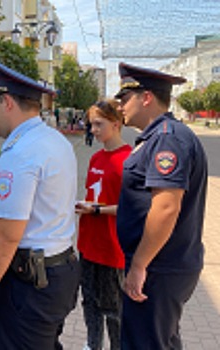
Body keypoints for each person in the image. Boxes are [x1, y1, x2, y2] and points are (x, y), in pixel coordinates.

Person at [0, 62, 80, 349]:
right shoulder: (55, 140)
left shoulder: (21, 153)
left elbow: (7, 235)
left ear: (7, 102)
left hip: (30, 285)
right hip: (60, 270)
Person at [114, 63, 208, 349]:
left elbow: (166, 207)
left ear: (146, 98)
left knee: (146, 342)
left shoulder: (167, 138)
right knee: (159, 340)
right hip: (161, 265)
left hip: (159, 268)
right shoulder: (158, 136)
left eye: (124, 98)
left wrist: (140, 266)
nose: (119, 106)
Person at [75, 99, 132, 350]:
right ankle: (92, 344)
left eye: (99, 124)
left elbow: (132, 208)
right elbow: (96, 195)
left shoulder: (129, 160)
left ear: (116, 123)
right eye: (91, 124)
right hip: (88, 245)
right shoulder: (96, 157)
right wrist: (85, 206)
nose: (94, 130)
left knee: (114, 310)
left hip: (112, 248)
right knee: (89, 303)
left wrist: (97, 209)